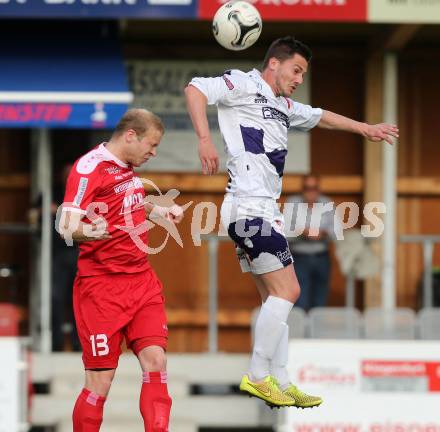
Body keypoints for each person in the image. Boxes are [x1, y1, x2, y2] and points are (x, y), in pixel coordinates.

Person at [184, 36, 398, 409]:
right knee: (289, 292)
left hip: (264, 209)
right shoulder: (242, 83)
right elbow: (195, 89)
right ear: (274, 64)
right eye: (296, 70)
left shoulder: (282, 105)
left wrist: (365, 128)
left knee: (273, 297)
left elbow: (321, 116)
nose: (299, 78)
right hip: (248, 208)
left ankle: (280, 379)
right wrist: (205, 139)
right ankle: (256, 375)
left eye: (303, 73)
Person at [58, 109, 184, 431]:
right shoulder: (88, 169)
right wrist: (89, 232)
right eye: (151, 145)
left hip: (141, 281)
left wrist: (159, 212)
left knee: (156, 361)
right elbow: (66, 225)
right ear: (131, 135)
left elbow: (128, 201)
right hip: (100, 289)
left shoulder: (127, 167)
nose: (153, 153)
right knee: (101, 381)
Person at [286, 174, 341, 311]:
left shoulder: (327, 203)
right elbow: (284, 230)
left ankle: (316, 333)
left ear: (318, 189)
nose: (310, 191)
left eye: (314, 188)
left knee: (319, 303)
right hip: (299, 258)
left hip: (321, 257)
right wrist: (303, 232)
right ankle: (300, 333)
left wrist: (323, 233)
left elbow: (337, 229)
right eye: (307, 188)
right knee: (299, 302)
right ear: (302, 189)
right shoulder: (292, 203)